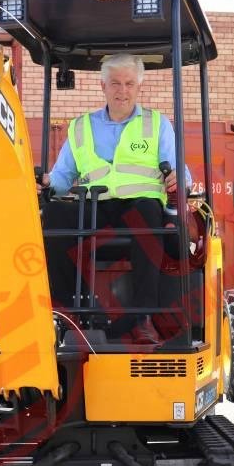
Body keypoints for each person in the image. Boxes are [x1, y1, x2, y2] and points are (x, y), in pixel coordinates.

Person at [38, 53, 190, 345]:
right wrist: (46, 183)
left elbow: (180, 170)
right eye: (116, 83)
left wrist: (179, 180)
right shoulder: (81, 127)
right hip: (94, 208)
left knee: (148, 214)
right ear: (102, 86)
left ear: (139, 87)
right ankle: (67, 313)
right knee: (54, 215)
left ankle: (142, 317)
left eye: (129, 83)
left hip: (138, 207)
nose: (123, 90)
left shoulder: (157, 124)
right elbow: (60, 178)